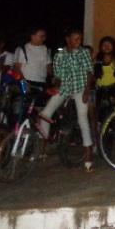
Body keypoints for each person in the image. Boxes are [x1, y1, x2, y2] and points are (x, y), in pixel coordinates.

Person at [40, 29, 94, 172]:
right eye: (75, 39)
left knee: (82, 118)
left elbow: (89, 72)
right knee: (45, 114)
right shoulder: (59, 55)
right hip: (64, 87)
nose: (78, 41)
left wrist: (87, 91)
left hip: (81, 87)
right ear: (67, 39)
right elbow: (58, 76)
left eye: (80, 39)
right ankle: (45, 144)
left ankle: (88, 153)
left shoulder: (84, 52)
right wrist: (55, 87)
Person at [90, 36, 115, 147]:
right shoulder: (97, 58)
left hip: (113, 89)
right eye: (104, 45)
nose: (107, 47)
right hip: (100, 90)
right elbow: (89, 68)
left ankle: (110, 138)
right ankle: (97, 141)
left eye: (109, 44)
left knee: (110, 115)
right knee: (97, 116)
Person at [13, 26, 52, 101]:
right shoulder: (22, 49)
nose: (44, 38)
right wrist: (23, 82)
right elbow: (16, 68)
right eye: (41, 36)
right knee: (22, 108)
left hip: (41, 84)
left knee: (38, 108)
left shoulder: (45, 49)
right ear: (33, 36)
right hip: (26, 82)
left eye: (44, 36)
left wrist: (54, 78)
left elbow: (48, 66)